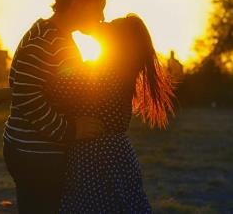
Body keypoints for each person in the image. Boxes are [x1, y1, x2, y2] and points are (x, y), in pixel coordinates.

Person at [2, 0, 113, 213]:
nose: (103, 16)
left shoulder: (50, 34)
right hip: (36, 152)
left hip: (31, 149)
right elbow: (27, 97)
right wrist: (70, 130)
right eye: (99, 6)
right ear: (77, 3)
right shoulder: (47, 40)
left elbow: (42, 84)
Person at [48, 14, 176, 213]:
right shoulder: (115, 70)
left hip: (98, 160)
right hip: (113, 157)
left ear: (117, 41)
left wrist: (8, 92)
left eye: (110, 26)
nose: (103, 23)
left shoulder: (105, 72)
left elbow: (54, 89)